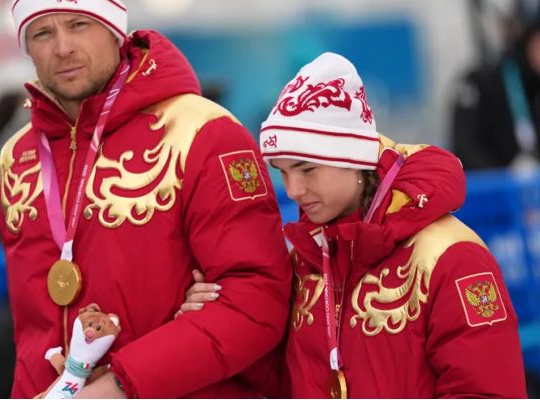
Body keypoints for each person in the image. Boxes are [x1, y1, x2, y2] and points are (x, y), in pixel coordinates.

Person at [179, 52, 528, 397]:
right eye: (282, 172)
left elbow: (488, 391)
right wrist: (218, 312)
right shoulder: (304, 262)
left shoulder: (452, 258)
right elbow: (276, 380)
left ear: (353, 158)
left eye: (307, 169)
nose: (293, 190)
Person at [0, 1, 291, 397]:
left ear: (114, 30)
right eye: (42, 33)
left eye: (79, 24)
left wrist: (121, 385)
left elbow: (256, 301)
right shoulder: (19, 158)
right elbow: (33, 332)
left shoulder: (204, 133)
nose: (62, 48)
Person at [451, 15, 540, 170]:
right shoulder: (483, 82)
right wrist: (503, 176)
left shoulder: (533, 87)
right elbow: (465, 145)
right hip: (491, 180)